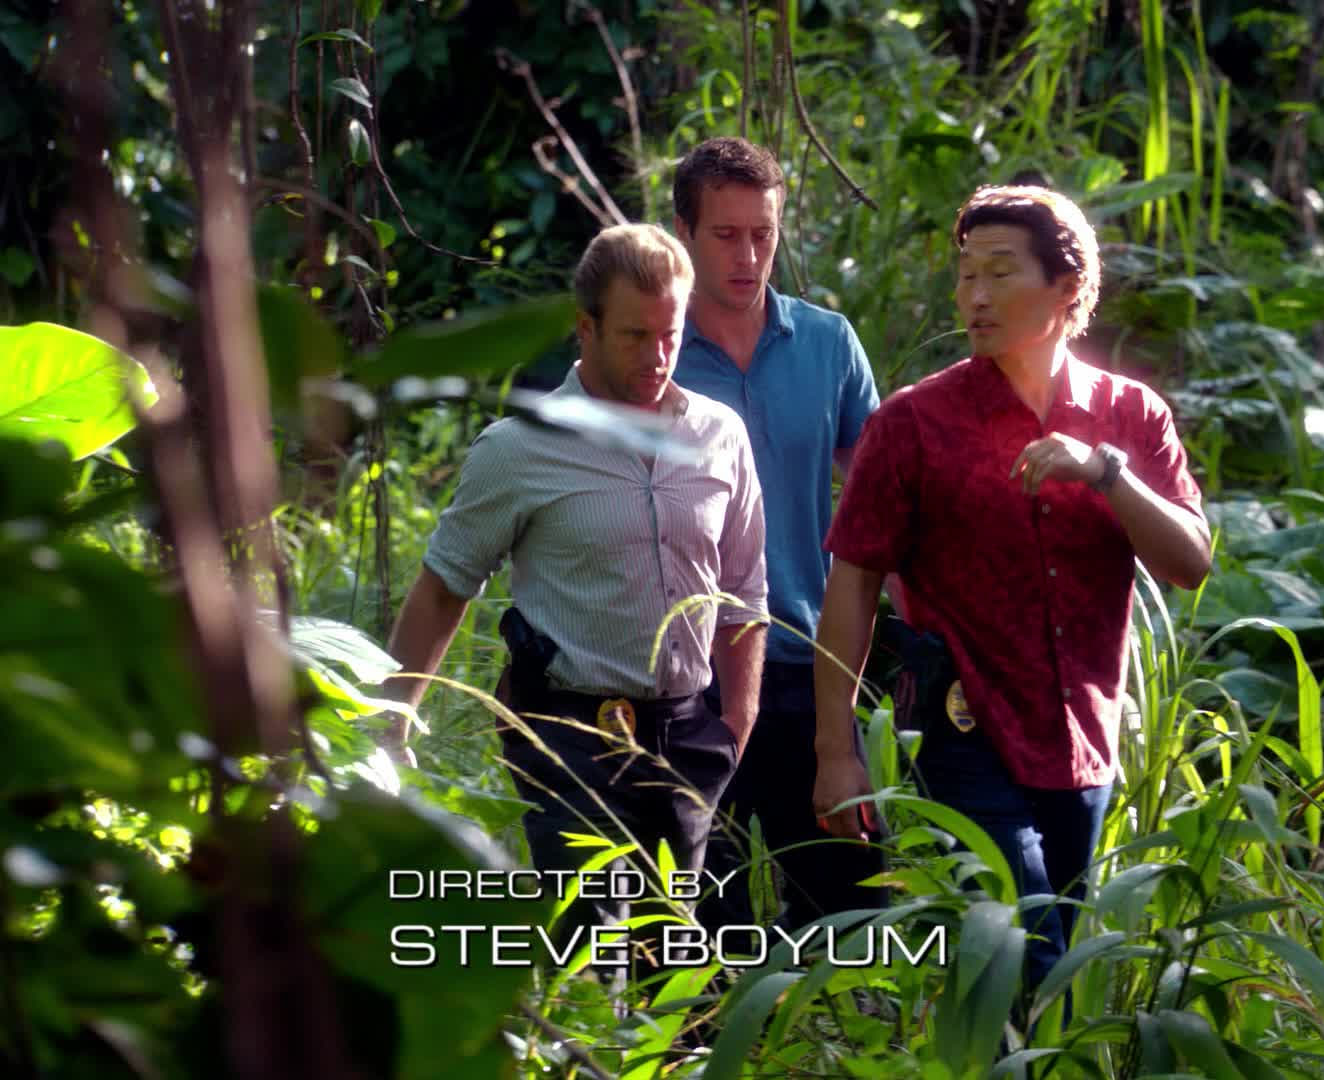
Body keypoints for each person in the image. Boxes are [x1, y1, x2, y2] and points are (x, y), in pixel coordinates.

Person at [811, 185, 1213, 989]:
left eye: (1000, 272)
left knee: (1053, 981)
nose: (976, 296)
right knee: (1024, 959)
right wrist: (835, 752)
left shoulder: (1130, 414)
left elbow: (1190, 562)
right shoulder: (912, 423)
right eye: (966, 275)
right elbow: (851, 584)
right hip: (963, 732)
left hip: (1083, 738)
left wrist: (1105, 474)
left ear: (1068, 288)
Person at [376, 222, 768, 974]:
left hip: (685, 734)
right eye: (634, 336)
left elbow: (744, 591)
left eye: (670, 335)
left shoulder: (720, 436)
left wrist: (736, 722)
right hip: (568, 734)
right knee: (592, 960)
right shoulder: (519, 449)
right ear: (585, 329)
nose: (657, 356)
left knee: (671, 962)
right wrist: (391, 724)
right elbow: (444, 588)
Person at [667, 137, 888, 930]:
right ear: (685, 235)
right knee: (690, 929)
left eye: (763, 234)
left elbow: (882, 503)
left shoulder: (827, 343)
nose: (748, 255)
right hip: (684, 675)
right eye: (725, 235)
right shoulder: (652, 351)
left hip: (807, 662)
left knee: (848, 914)